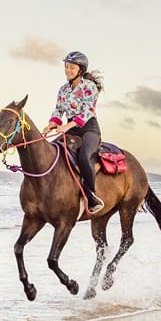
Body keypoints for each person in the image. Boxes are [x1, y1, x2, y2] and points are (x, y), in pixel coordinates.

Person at [46, 51, 105, 214]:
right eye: (66, 67)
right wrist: (53, 123)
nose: (68, 70)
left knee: (84, 156)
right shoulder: (63, 89)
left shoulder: (89, 87)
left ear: (80, 69)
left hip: (89, 129)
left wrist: (67, 126)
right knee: (50, 152)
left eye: (72, 67)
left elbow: (87, 112)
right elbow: (58, 109)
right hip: (71, 129)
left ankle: (91, 196)